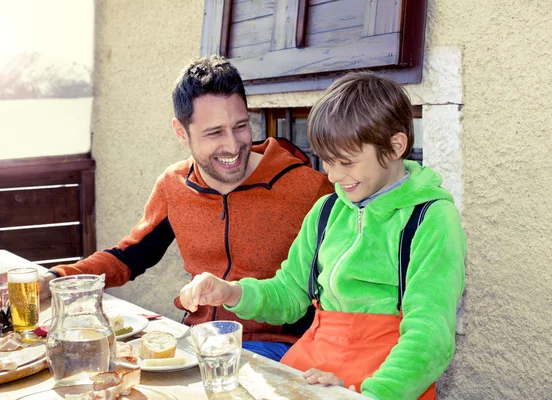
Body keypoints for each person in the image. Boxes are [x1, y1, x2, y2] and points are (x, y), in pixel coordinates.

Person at [179, 71, 466, 399]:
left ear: (395, 146)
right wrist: (230, 292)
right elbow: (289, 294)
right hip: (310, 369)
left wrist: (367, 394)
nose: (332, 175)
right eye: (326, 161)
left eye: (346, 161)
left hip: (386, 382)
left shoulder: (431, 219)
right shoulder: (327, 210)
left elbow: (428, 337)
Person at [38, 55, 333, 362]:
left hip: (278, 347)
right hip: (197, 342)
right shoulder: (173, 185)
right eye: (214, 132)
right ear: (181, 133)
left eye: (241, 126)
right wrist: (57, 276)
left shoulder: (310, 189)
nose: (233, 146)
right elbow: (130, 256)